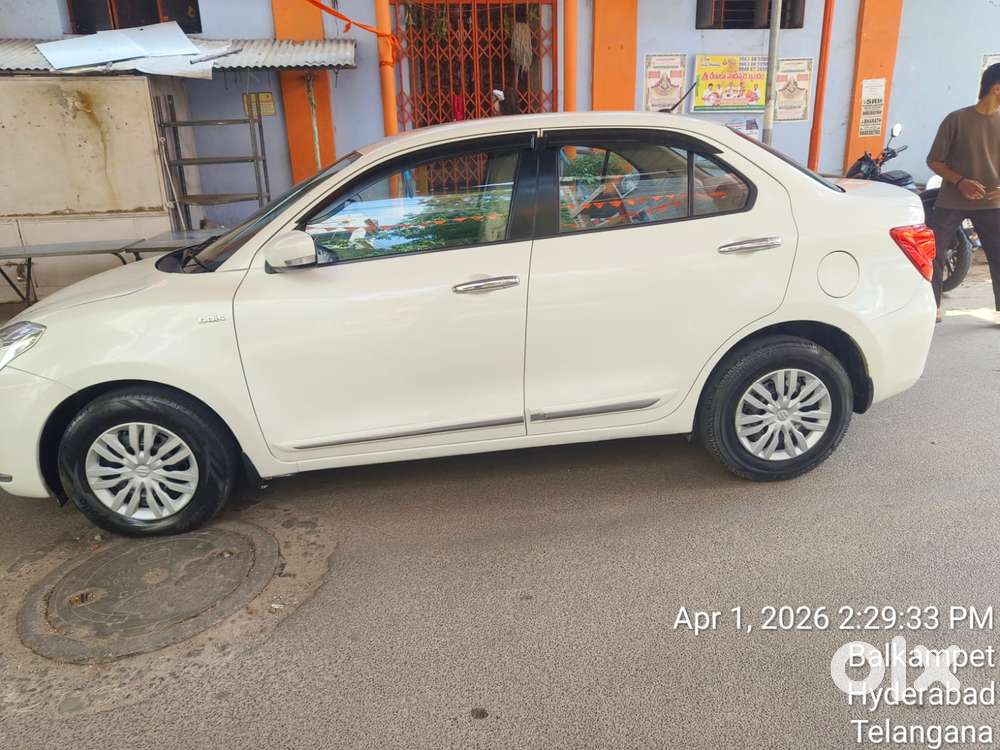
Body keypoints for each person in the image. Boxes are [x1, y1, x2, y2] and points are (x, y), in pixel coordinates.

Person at [927, 63, 1000, 323]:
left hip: (993, 203)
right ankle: (932, 306)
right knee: (934, 253)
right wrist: (960, 182)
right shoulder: (956, 119)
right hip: (952, 200)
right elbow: (934, 160)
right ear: (996, 88)